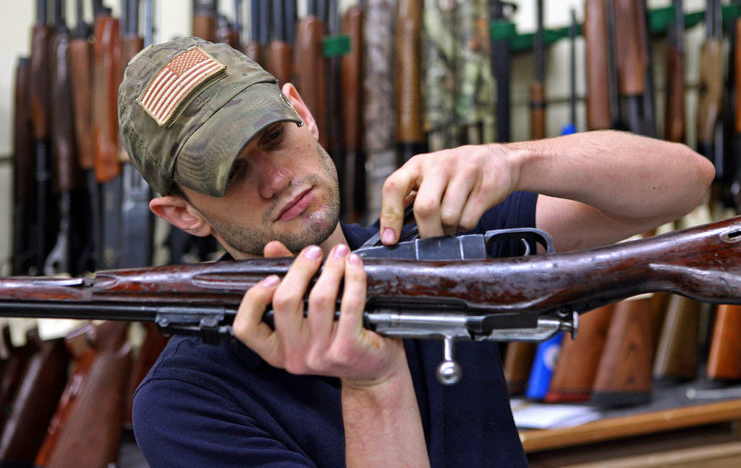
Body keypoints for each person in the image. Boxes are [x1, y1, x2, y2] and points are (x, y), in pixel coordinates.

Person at [118, 37, 714, 468]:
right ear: (183, 214)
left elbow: (685, 181)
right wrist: (372, 385)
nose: (275, 178)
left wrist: (516, 160)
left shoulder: (429, 239)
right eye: (232, 171)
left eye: (274, 135)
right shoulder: (185, 403)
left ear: (302, 113)